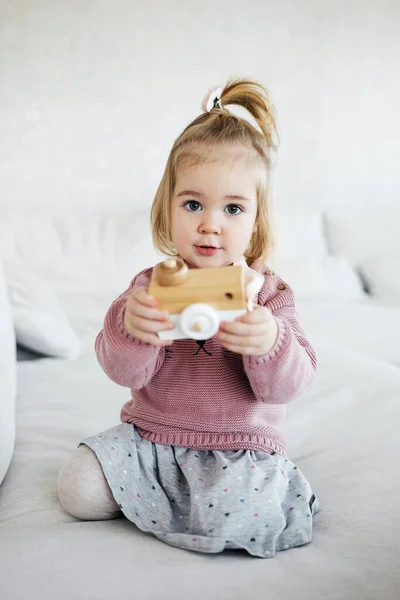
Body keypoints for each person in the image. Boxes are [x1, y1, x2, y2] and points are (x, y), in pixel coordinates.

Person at [57, 78, 319, 558]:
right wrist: (132, 330)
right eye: (193, 204)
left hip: (239, 449)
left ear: (256, 221)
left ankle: (182, 508)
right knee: (78, 488)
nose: (209, 224)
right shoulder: (150, 286)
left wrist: (270, 342)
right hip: (152, 439)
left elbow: (289, 386)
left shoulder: (270, 294)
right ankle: (161, 498)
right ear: (168, 207)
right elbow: (122, 372)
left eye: (233, 208)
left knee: (245, 517)